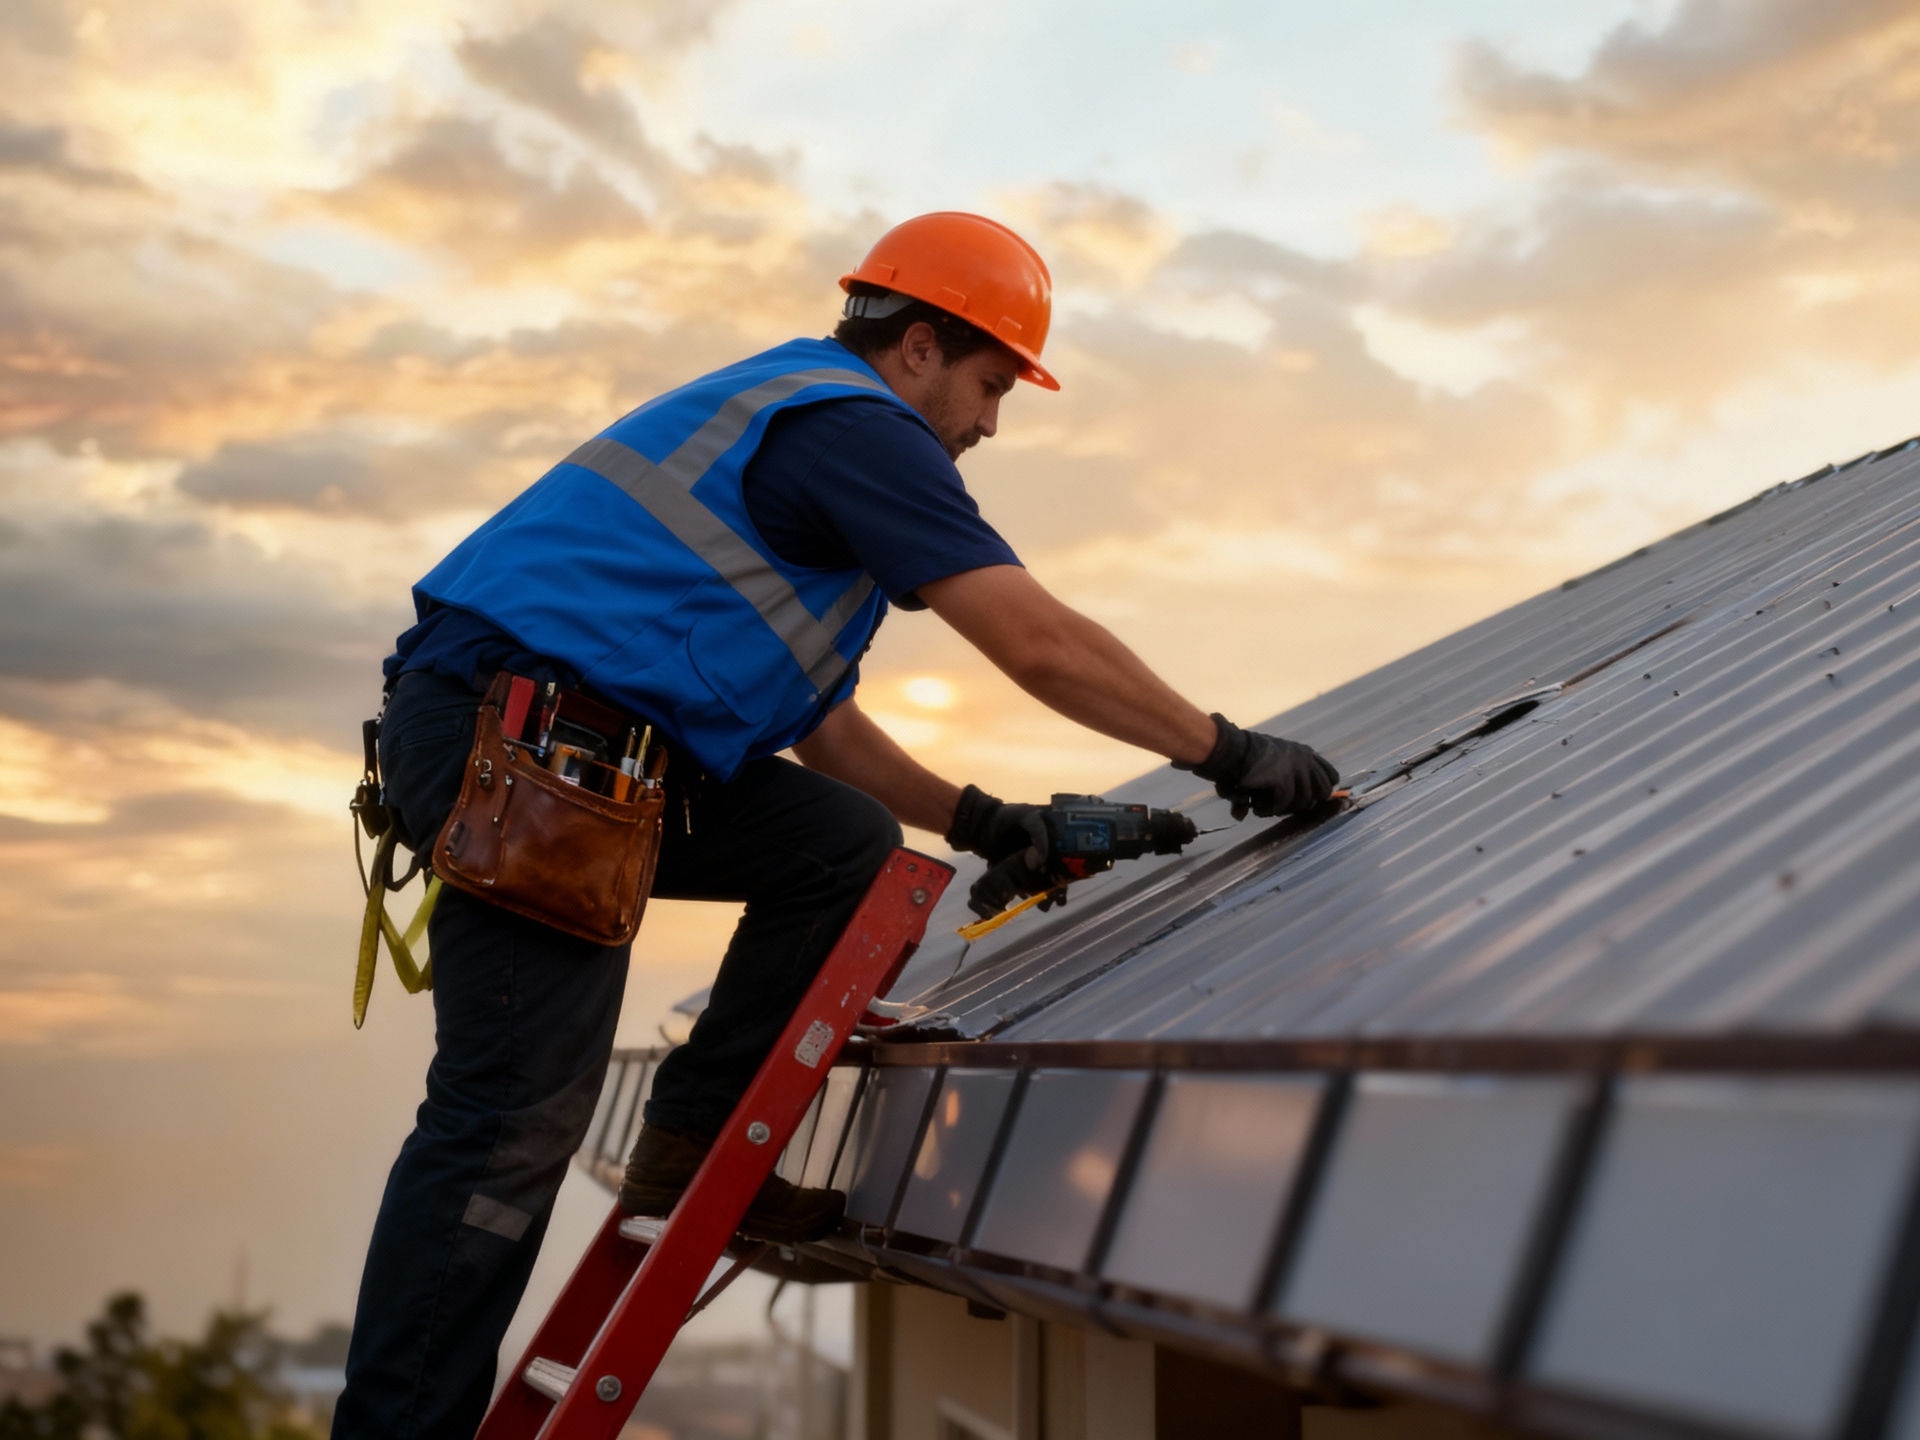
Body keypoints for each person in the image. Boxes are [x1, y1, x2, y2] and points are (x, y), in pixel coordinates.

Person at [332, 212, 1337, 1439]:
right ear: (917, 347)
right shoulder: (856, 429)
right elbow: (1037, 641)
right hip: (532, 749)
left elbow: (828, 732)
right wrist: (1226, 753)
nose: (988, 426)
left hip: (578, 751)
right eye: (986, 385)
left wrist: (983, 818)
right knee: (506, 1119)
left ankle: (690, 1154)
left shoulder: (806, 438)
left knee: (839, 846)